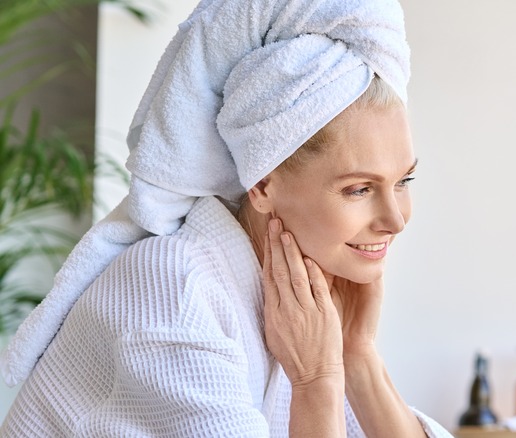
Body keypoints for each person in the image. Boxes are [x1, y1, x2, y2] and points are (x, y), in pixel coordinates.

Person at [0, 0, 452, 436]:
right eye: (359, 189)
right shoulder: (172, 287)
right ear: (261, 184)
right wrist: (317, 382)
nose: (396, 220)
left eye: (403, 181)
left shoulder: (301, 304)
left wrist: (358, 357)